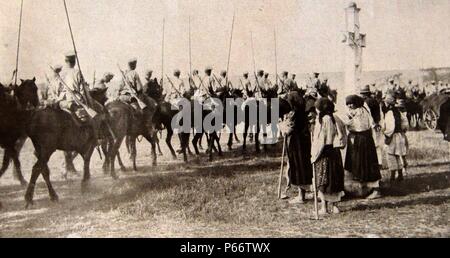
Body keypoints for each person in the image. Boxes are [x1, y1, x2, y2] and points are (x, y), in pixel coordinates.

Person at [343, 95, 382, 199]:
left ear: (357, 103)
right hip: (359, 139)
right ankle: (362, 189)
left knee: (366, 163)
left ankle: (375, 190)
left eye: (351, 103)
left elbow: (358, 125)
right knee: (358, 163)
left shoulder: (360, 112)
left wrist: (347, 122)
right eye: (348, 104)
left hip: (362, 139)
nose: (350, 106)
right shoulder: (359, 111)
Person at [311, 98, 345, 214]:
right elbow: (342, 134)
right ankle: (335, 206)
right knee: (334, 178)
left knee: (323, 179)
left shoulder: (322, 120)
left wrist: (314, 156)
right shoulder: (336, 118)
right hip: (335, 152)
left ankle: (324, 207)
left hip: (324, 152)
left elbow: (321, 140)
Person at [279, 91, 313, 204]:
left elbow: (288, 131)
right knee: (303, 165)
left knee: (298, 166)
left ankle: (301, 196)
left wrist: (281, 125)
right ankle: (303, 192)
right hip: (305, 141)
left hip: (296, 142)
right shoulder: (303, 112)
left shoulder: (294, 114)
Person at [383, 96, 409, 182]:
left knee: (391, 155)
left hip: (393, 136)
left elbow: (390, 127)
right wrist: (403, 131)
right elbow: (405, 123)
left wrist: (386, 134)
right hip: (400, 135)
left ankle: (392, 176)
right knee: (398, 155)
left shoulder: (390, 113)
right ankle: (400, 174)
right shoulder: (398, 112)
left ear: (389, 104)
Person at [360, 85, 383, 168]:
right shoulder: (375, 101)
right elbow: (380, 114)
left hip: (371, 126)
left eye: (362, 94)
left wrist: (372, 124)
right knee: (377, 145)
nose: (361, 96)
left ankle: (372, 163)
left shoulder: (365, 103)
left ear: (365, 94)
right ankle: (379, 162)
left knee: (372, 145)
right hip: (377, 124)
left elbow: (368, 116)